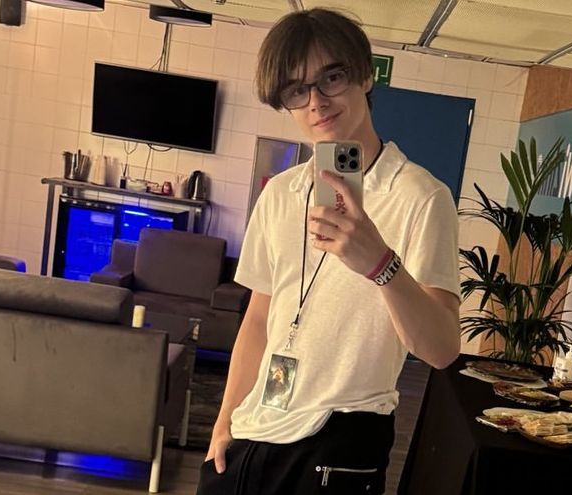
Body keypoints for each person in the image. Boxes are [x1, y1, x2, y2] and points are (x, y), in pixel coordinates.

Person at [197, 8, 461, 495]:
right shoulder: (280, 193)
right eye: (296, 90)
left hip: (340, 442)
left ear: (365, 75)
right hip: (255, 428)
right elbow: (260, 318)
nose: (316, 102)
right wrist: (224, 420)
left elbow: (442, 349)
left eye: (331, 78)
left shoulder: (422, 198)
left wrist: (380, 265)